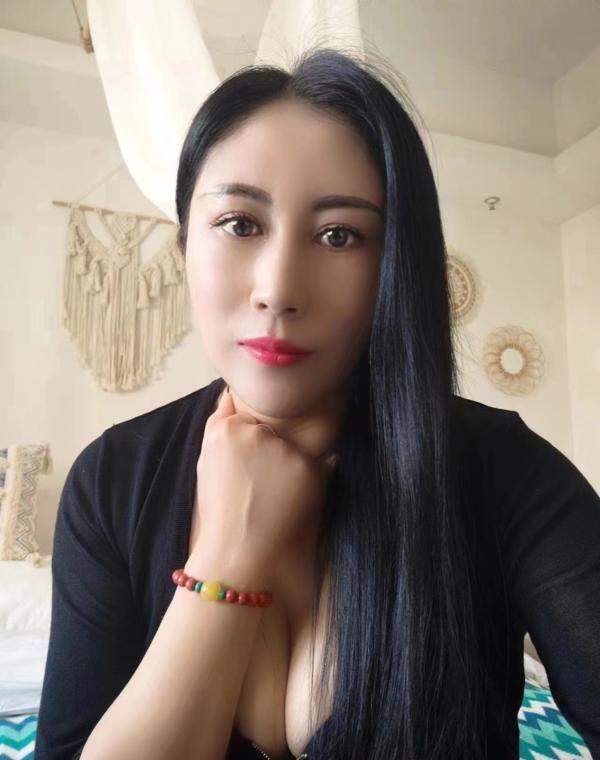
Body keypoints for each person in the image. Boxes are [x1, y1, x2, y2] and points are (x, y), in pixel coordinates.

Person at [35, 47, 600, 760]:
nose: (278, 289)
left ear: (394, 262)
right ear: (184, 244)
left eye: (340, 235)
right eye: (240, 224)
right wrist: (229, 554)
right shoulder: (112, 479)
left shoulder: (505, 471)